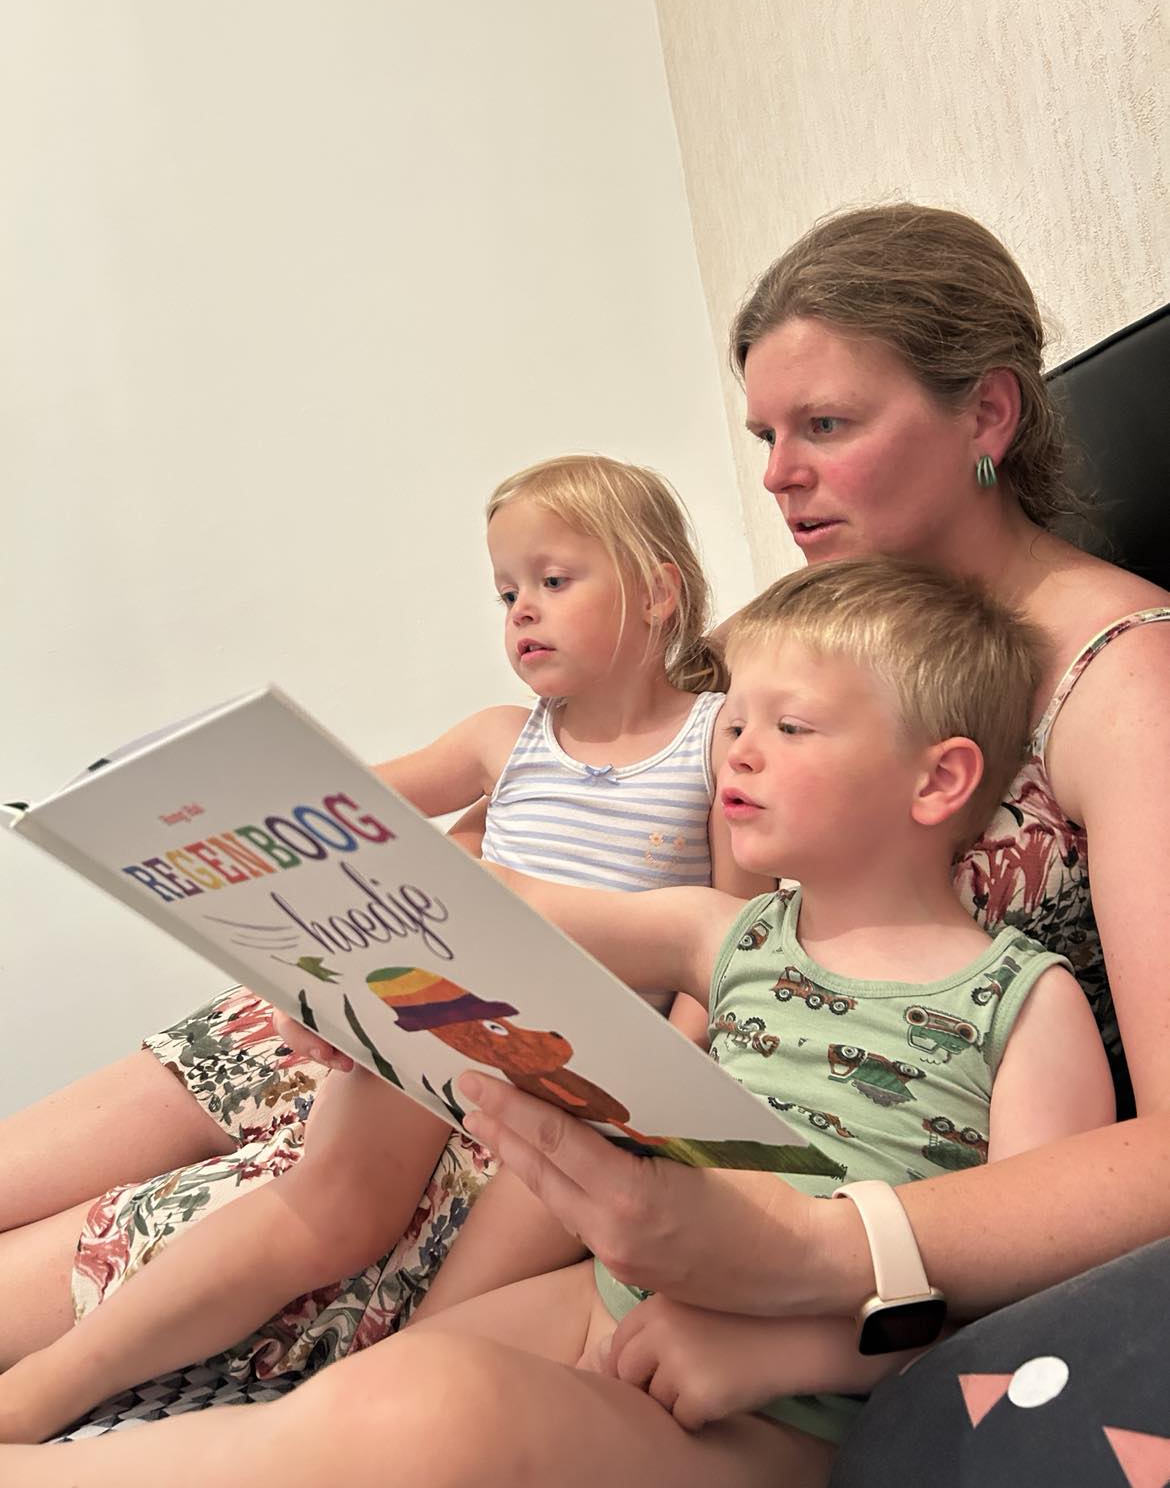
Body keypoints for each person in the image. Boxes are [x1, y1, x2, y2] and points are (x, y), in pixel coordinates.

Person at [3, 199, 1169, 1481]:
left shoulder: (1119, 684)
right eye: (765, 435)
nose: (778, 474)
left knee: (215, 1273)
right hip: (524, 1042)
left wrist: (811, 1266)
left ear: (989, 416)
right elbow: (698, 927)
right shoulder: (797, 631)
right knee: (178, 1100)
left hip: (684, 1169)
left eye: (825, 425)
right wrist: (334, 932)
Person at [0, 555, 1120, 1482]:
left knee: (434, 1411)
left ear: (937, 782)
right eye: (737, 720)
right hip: (607, 1302)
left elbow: (1028, 1284)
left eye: (792, 726)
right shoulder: (727, 934)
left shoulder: (1024, 1003)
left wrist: (793, 1350)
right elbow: (516, 918)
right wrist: (324, 934)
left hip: (789, 1414)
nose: (738, 748)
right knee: (365, 1407)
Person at [0, 452, 770, 1435]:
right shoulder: (504, 738)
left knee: (488, 1277)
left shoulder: (714, 741)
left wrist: (678, 1068)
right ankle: (52, 1386)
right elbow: (341, 803)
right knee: (327, 1206)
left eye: (553, 580)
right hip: (446, 1009)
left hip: (591, 1071)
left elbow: (726, 933)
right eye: (505, 592)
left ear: (660, 591)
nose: (520, 612)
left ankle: (343, 1427)